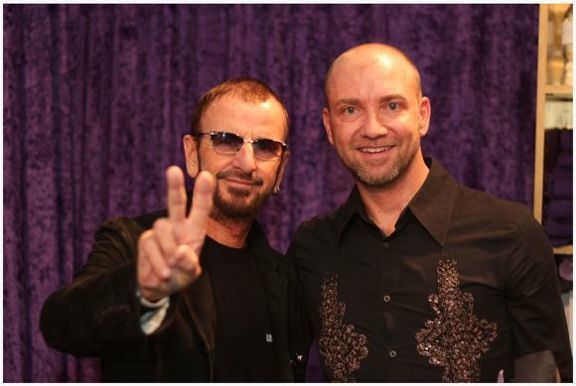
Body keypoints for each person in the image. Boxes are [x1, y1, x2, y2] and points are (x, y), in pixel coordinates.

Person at [287, 43, 573, 382]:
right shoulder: (312, 248)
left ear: (423, 115)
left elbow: (545, 373)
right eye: (350, 110)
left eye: (392, 106)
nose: (373, 128)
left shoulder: (512, 234)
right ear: (329, 126)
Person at [41, 78, 306, 382]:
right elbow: (61, 324)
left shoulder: (285, 279)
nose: (246, 163)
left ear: (281, 169)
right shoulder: (134, 242)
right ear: (192, 154)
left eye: (265, 146)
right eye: (225, 140)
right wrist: (145, 290)